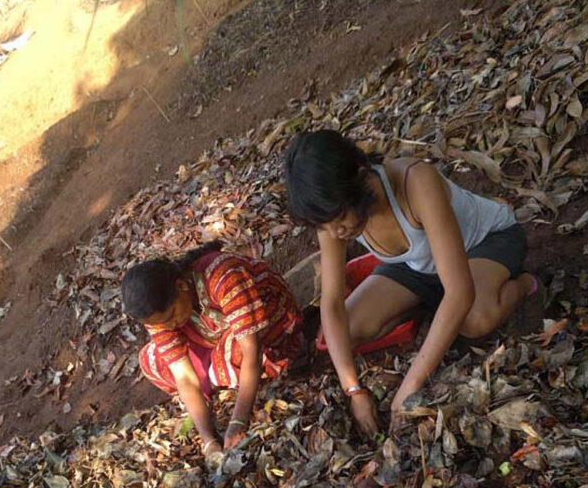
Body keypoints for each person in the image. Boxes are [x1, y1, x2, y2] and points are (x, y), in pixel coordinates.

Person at [284, 129, 536, 436]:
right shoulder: (332, 219)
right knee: (344, 331)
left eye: (338, 219)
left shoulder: (415, 182)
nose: (334, 232)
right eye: (324, 224)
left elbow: (459, 292)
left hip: (484, 244)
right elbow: (332, 303)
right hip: (416, 265)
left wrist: (410, 386)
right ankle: (433, 311)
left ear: (360, 179)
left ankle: (524, 285)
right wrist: (354, 390)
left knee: (473, 320)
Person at [122, 241, 302, 456]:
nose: (170, 325)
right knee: (151, 361)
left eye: (171, 316)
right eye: (164, 323)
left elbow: (250, 351)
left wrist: (237, 422)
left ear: (181, 286)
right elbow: (184, 377)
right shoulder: (159, 317)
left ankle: (220, 376)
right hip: (213, 339)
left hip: (264, 323)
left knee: (240, 353)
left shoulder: (223, 276)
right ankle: (219, 376)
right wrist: (208, 440)